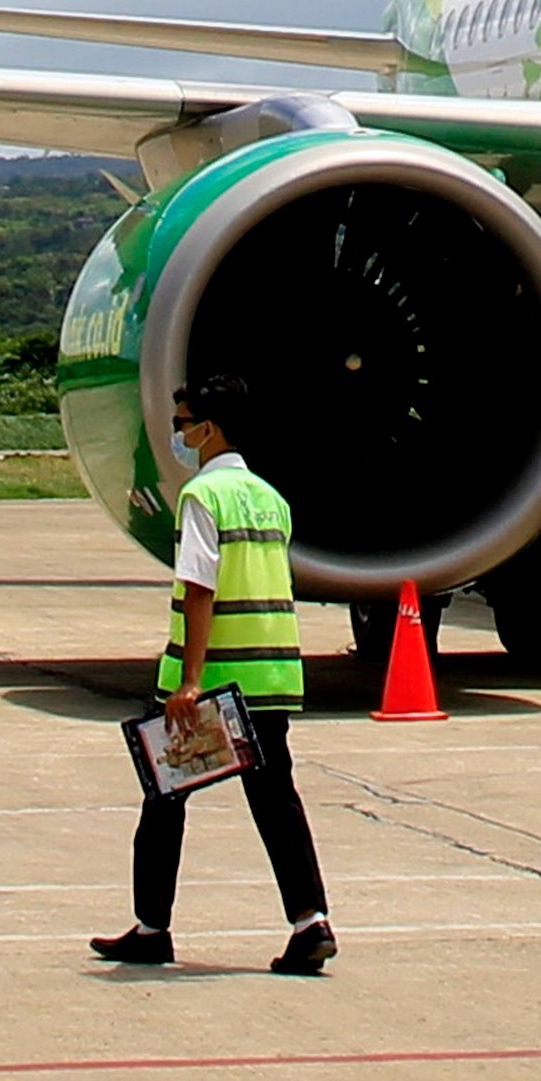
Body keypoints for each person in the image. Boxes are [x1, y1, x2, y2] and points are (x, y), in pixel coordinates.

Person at [93, 376, 336, 976]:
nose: (178, 434)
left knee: (165, 796)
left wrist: (190, 681)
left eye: (182, 424)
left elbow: (200, 587)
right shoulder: (268, 498)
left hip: (217, 684)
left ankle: (152, 927)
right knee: (277, 802)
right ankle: (312, 924)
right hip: (272, 677)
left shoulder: (204, 497)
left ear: (210, 429)